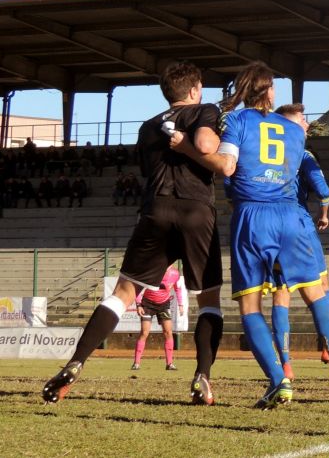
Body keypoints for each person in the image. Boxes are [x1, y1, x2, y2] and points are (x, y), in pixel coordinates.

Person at [173, 61, 329, 408]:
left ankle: (279, 381)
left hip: (252, 216)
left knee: (250, 305)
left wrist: (186, 147)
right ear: (270, 91)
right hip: (292, 216)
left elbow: (226, 164)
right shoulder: (295, 130)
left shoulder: (236, 122)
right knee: (318, 295)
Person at [43, 61, 224, 406]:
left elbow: (147, 169)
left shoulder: (146, 127)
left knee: (122, 294)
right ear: (195, 89)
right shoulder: (207, 110)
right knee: (209, 301)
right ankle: (202, 376)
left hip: (154, 209)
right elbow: (205, 148)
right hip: (197, 210)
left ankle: (75, 363)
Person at [255, 103, 329, 382]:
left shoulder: (264, 154)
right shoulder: (302, 153)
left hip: (265, 225)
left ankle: (285, 363)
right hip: (298, 224)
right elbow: (323, 190)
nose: (308, 124)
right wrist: (323, 214)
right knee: (321, 288)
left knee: (281, 294)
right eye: (303, 119)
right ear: (291, 124)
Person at [132, 265, 184, 371]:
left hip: (163, 304)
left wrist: (181, 305)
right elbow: (138, 287)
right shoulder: (152, 269)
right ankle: (136, 363)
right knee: (144, 332)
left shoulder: (175, 273)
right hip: (147, 304)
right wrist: (138, 305)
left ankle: (169, 363)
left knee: (168, 332)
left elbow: (177, 289)